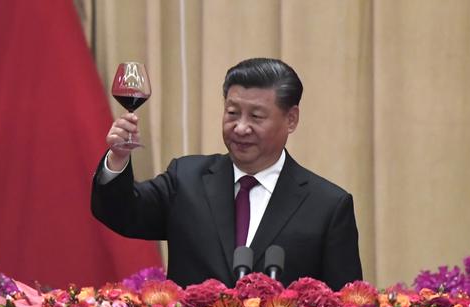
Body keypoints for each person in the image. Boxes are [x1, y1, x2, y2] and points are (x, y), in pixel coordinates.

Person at [91, 58, 362, 290]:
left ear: (291, 119)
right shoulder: (186, 179)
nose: (241, 127)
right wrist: (118, 157)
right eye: (232, 113)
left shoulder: (327, 206)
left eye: (256, 117)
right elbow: (121, 213)